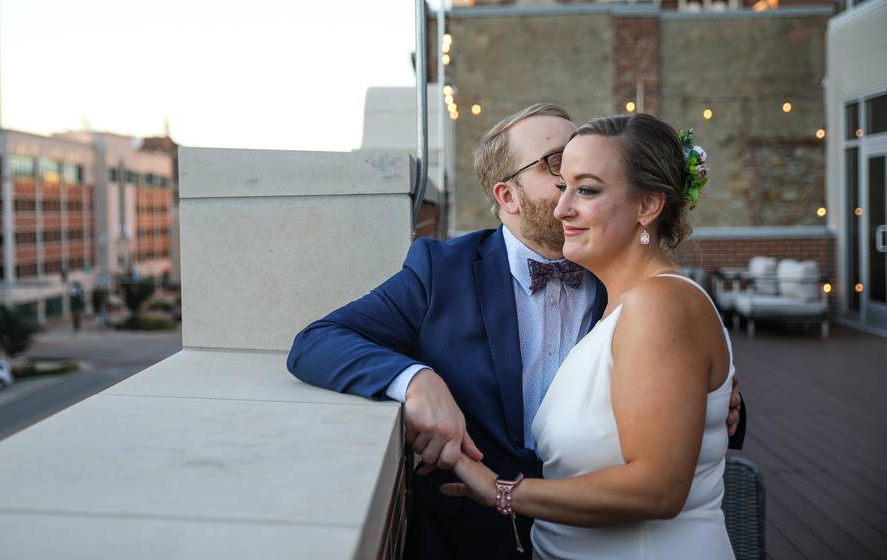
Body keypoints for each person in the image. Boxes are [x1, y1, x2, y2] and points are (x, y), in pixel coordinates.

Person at [287, 104, 743, 560]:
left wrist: (721, 401)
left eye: (582, 176)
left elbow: (678, 430)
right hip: (469, 542)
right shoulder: (441, 272)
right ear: (508, 197)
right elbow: (318, 340)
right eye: (557, 165)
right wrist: (416, 381)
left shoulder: (633, 283)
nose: (568, 187)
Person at [441, 114, 735, 559]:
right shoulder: (620, 302)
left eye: (588, 190)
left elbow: (657, 490)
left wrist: (503, 491)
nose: (562, 209)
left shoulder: (659, 306)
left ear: (647, 206)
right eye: (564, 185)